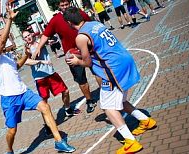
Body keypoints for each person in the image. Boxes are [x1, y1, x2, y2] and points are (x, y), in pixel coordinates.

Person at [63, 7, 157, 153]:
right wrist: (81, 55)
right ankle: (146, 120)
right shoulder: (95, 24)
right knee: (121, 101)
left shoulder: (80, 37)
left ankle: (131, 142)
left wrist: (76, 61)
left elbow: (87, 63)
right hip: (124, 59)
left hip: (113, 70)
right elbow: (98, 50)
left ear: (69, 22)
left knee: (107, 107)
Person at [0, 4, 76, 153]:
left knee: (45, 107)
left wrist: (26, 54)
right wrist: (9, 19)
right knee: (12, 131)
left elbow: (17, 65)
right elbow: (2, 41)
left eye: (0, 42)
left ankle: (59, 141)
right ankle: (9, 150)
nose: (1, 43)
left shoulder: (7, 57)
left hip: (23, 92)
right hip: (9, 98)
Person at [32, 0, 98, 114]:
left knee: (97, 72)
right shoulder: (55, 20)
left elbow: (91, 24)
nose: (64, 7)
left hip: (88, 48)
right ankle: (89, 100)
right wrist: (38, 48)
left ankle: (106, 91)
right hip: (72, 55)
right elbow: (46, 35)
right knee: (81, 80)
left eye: (66, 4)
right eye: (62, 5)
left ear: (70, 4)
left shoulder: (79, 13)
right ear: (58, 6)